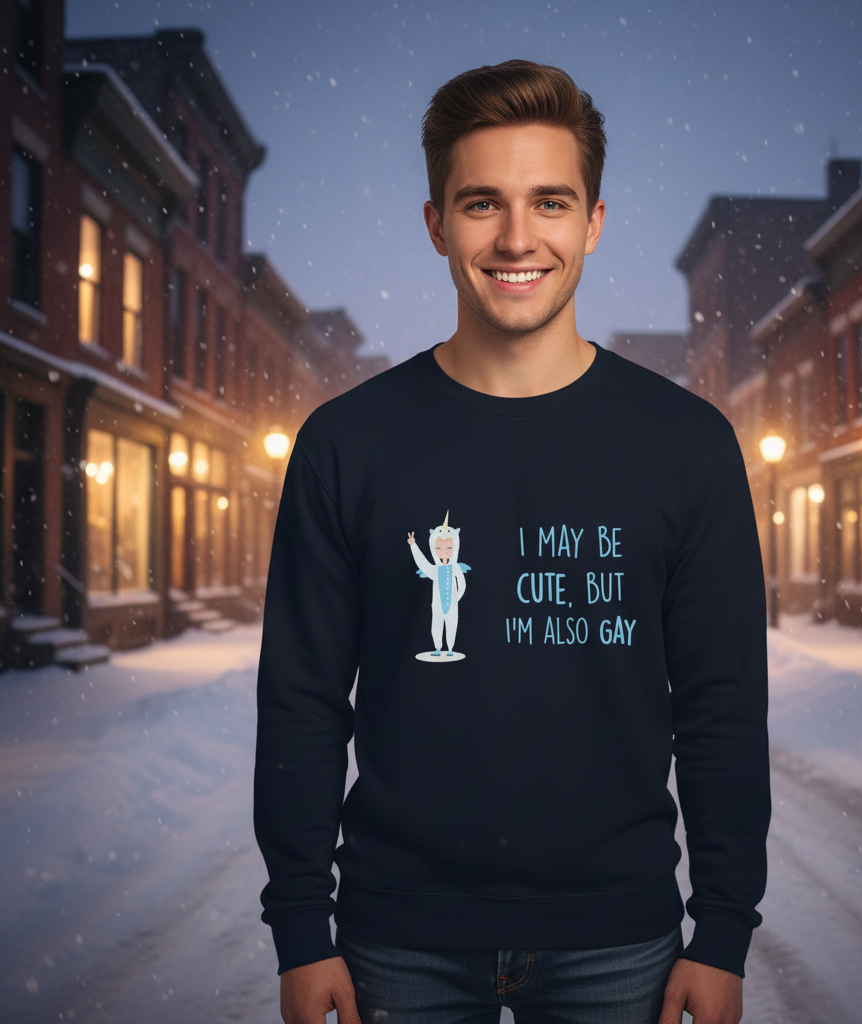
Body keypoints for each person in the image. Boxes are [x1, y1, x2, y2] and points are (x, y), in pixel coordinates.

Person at [254, 60, 769, 1024]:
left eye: (551, 202)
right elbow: (301, 700)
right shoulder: (346, 443)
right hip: (391, 943)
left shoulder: (688, 445)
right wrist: (300, 928)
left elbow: (723, 705)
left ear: (595, 223)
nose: (519, 237)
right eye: (483, 203)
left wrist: (726, 930)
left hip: (622, 943)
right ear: (437, 224)